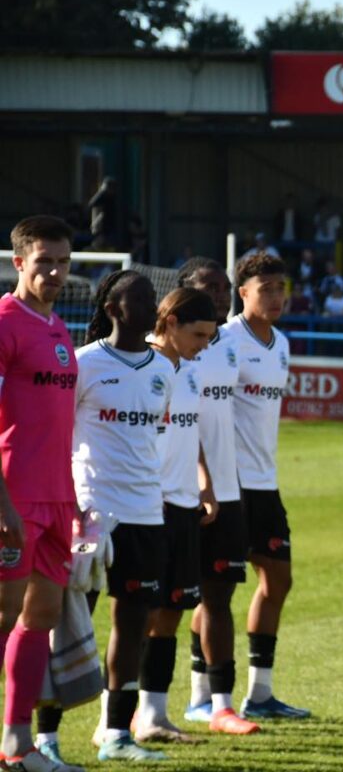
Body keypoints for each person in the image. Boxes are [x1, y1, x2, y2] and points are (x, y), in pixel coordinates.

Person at [74, 270, 175, 762]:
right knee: (69, 621)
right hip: (92, 512)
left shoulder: (165, 369)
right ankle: (42, 734)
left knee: (133, 625)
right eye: (139, 298)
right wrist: (71, 502)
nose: (151, 305)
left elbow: (150, 434)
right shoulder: (84, 365)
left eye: (152, 297)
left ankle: (115, 733)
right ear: (112, 308)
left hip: (144, 513)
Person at [0, 217, 84, 772]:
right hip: (14, 499)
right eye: (43, 261)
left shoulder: (57, 329)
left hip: (55, 499)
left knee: (42, 616)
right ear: (19, 263)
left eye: (61, 262)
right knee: (1, 617)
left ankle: (17, 743)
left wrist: (72, 498)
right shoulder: (5, 324)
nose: (53, 272)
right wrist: (3, 504)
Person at [176, 258, 261, 736]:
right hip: (181, 491)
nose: (222, 294)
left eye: (225, 288)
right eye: (211, 288)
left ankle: (219, 703)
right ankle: (144, 708)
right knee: (164, 605)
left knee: (218, 595)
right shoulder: (171, 351)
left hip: (228, 490)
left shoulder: (229, 345)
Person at [226, 253, 310, 719]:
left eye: (281, 287)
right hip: (229, 483)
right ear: (244, 293)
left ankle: (259, 695)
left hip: (265, 483)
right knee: (216, 588)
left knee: (278, 579)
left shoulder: (281, 343)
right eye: (266, 288)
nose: (277, 297)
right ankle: (206, 696)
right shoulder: (224, 341)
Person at [134, 288, 219, 744]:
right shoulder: (137, 366)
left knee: (169, 613)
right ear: (168, 322)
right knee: (135, 617)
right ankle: (115, 719)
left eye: (209, 336)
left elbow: (192, 432)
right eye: (197, 334)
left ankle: (153, 716)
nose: (203, 344)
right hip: (146, 506)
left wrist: (204, 480)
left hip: (186, 505)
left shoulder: (190, 372)